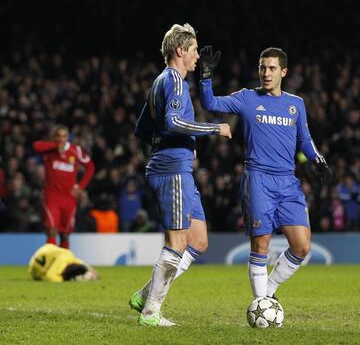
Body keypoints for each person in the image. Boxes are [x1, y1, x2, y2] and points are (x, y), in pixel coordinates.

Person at [199, 46, 332, 300]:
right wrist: (205, 76)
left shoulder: (296, 105)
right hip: (258, 179)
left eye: (271, 68)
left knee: (302, 246)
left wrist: (318, 160)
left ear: (284, 71)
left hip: (288, 182)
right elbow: (210, 102)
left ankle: (267, 294)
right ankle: (261, 303)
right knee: (261, 245)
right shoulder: (248, 98)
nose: (266, 73)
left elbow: (305, 139)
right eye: (262, 68)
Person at [130, 23, 232, 326]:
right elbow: (174, 121)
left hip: (178, 165)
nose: (198, 56)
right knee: (176, 242)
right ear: (180, 51)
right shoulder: (174, 80)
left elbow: (143, 129)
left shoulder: (160, 82)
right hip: (171, 170)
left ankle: (144, 296)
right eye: (195, 50)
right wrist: (213, 128)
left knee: (198, 240)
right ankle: (150, 313)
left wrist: (182, 145)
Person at [33, 125, 95, 248]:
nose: (61, 139)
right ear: (54, 137)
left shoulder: (75, 150)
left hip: (69, 198)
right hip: (52, 197)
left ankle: (64, 264)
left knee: (65, 233)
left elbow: (91, 167)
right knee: (51, 230)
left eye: (64, 136)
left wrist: (80, 187)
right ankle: (51, 263)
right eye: (58, 136)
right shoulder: (49, 150)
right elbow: (36, 146)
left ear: (68, 137)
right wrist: (56, 146)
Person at [29, 243, 99, 282]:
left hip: (44, 251)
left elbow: (80, 263)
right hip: (35, 267)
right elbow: (50, 277)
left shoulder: (69, 256)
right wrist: (65, 279)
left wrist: (91, 271)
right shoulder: (61, 262)